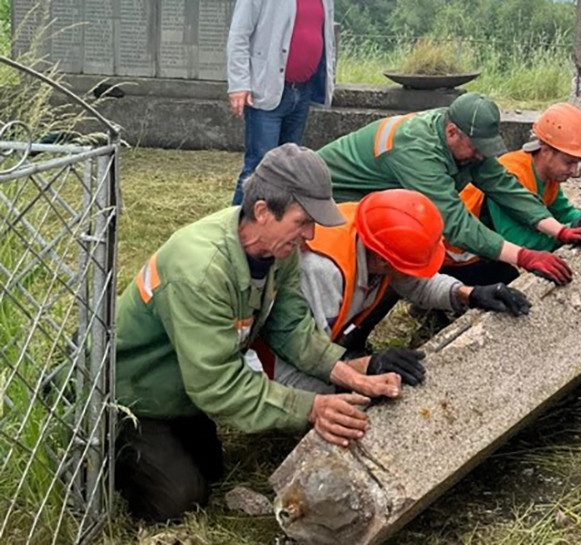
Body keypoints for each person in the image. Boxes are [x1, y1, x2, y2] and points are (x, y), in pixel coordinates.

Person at [113, 145, 411, 522]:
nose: (311, 234)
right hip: (133, 394)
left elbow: (290, 328)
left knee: (213, 470)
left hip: (182, 387)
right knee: (180, 502)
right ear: (262, 211)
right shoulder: (201, 271)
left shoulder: (275, 251)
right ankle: (103, 444)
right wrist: (312, 407)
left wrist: (349, 373)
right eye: (302, 221)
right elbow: (217, 386)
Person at [254, 188, 532, 392]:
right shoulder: (322, 271)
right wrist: (366, 368)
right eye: (407, 266)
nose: (412, 274)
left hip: (319, 343)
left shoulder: (374, 232)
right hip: (276, 367)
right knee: (369, 395)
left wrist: (469, 294)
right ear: (383, 259)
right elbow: (307, 357)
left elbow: (417, 282)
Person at [317, 92, 581, 288]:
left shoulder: (463, 138)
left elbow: (502, 185)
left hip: (375, 202)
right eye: (477, 149)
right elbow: (453, 222)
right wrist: (525, 256)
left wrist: (560, 230)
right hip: (332, 199)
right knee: (372, 265)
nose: (481, 155)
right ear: (452, 132)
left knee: (398, 262)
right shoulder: (418, 151)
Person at [446, 102, 581, 266]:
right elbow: (521, 241)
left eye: (577, 163)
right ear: (546, 151)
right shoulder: (514, 173)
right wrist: (566, 233)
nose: (575, 171)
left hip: (487, 253)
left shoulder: (549, 174)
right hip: (457, 258)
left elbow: (562, 213)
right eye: (569, 163)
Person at [227, 0, 336, 205]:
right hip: (267, 89)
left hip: (302, 91)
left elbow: (326, 38)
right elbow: (238, 36)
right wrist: (239, 84)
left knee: (288, 168)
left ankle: (273, 226)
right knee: (259, 168)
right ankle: (236, 225)